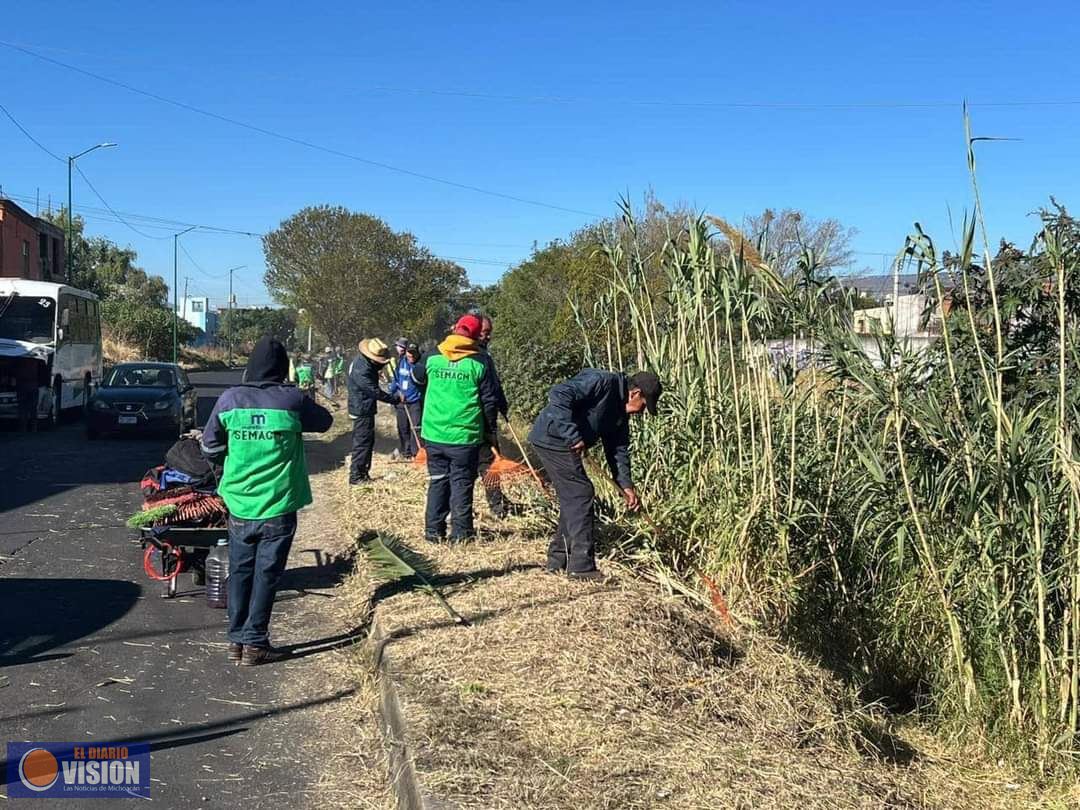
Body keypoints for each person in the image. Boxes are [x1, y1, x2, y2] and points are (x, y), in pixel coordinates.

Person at [201, 335, 333, 665]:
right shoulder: (291, 399)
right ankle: (255, 642)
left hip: (240, 502)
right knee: (267, 574)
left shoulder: (230, 399)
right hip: (279, 502)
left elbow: (209, 447)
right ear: (281, 367)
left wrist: (234, 462)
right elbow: (326, 421)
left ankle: (236, 641)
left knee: (241, 569)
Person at [528, 369, 662, 579]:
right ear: (635, 393)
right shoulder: (601, 382)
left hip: (564, 443)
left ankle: (558, 559)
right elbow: (559, 394)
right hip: (552, 438)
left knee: (575, 497)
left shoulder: (619, 413)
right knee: (581, 494)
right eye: (644, 405)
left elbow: (618, 449)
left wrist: (625, 486)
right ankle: (581, 567)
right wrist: (573, 435)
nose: (642, 411)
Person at [412, 314, 501, 541]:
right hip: (464, 436)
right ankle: (461, 535)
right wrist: (490, 432)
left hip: (433, 433)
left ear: (454, 329)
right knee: (461, 484)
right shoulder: (480, 362)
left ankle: (433, 532)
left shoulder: (433, 355)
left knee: (438, 480)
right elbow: (489, 401)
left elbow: (417, 378)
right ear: (474, 336)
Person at [476, 315, 512, 517]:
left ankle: (498, 500)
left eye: (489, 332)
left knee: (490, 463)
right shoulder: (475, 357)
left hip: (486, 417)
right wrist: (489, 428)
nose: (488, 336)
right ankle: (497, 507)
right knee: (488, 463)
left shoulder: (485, 355)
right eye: (484, 332)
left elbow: (495, 386)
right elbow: (487, 395)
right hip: (477, 420)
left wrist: (503, 406)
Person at [347, 337, 395, 484]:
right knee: (363, 443)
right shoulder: (362, 370)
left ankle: (363, 473)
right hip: (362, 409)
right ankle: (356, 476)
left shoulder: (363, 362)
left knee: (367, 441)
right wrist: (394, 399)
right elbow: (374, 391)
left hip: (363, 407)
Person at [388, 341, 423, 459]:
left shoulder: (420, 365)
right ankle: (405, 451)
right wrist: (395, 393)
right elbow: (396, 380)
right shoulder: (401, 362)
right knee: (403, 428)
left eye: (414, 354)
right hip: (401, 401)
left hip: (415, 401)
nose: (411, 357)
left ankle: (416, 453)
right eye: (409, 354)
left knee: (416, 428)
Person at [14, 357, 41, 432]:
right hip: (33, 385)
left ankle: (23, 428)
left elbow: (15, 372)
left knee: (22, 408)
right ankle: (33, 428)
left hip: (22, 386)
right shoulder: (36, 360)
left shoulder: (20, 359)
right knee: (33, 408)